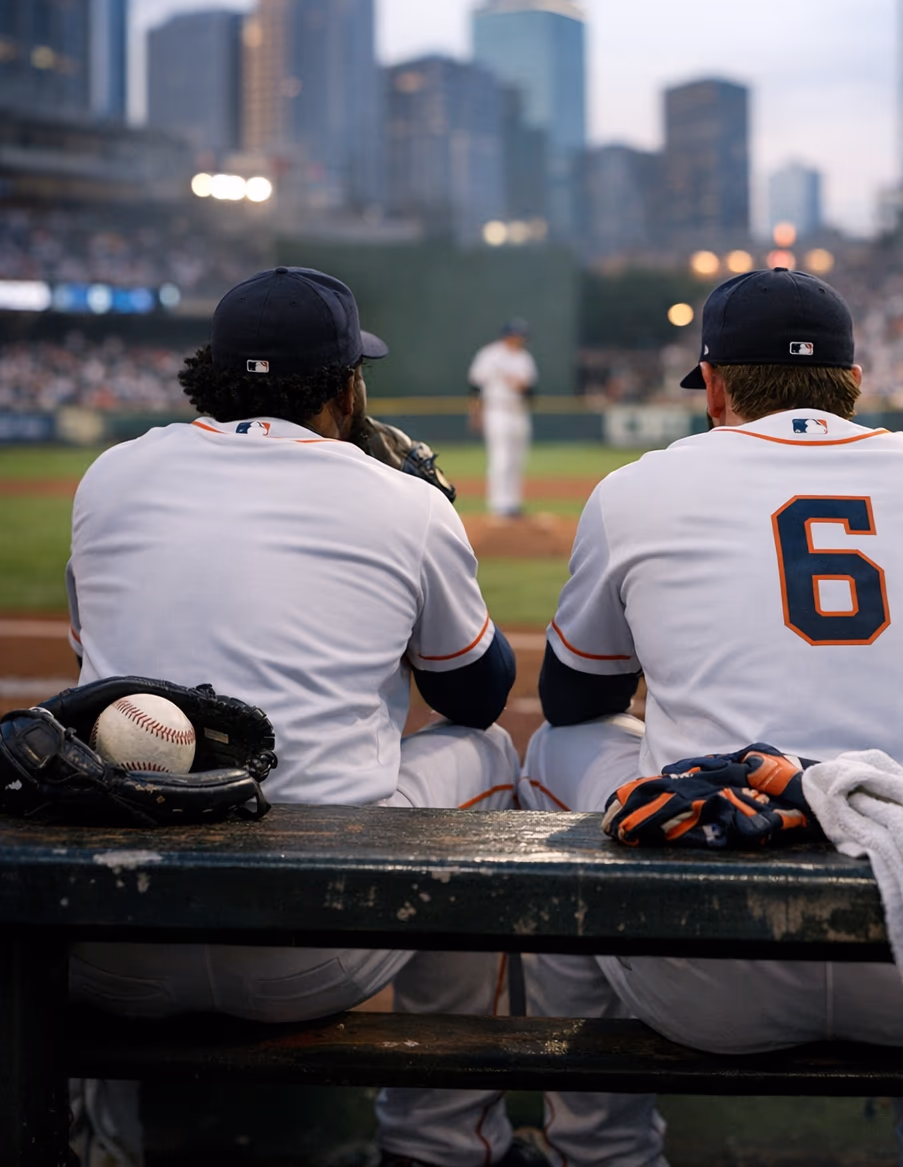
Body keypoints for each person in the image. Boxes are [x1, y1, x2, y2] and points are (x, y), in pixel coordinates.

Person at [519, 267, 903, 1167]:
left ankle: (598, 1147)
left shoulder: (637, 488)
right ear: (853, 381)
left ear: (714, 386)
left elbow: (573, 699)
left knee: (553, 752)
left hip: (711, 968)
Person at [67, 265, 545, 1167]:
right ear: (346, 388)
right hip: (314, 951)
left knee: (97, 766)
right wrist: (430, 525)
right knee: (486, 754)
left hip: (109, 943)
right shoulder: (402, 501)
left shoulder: (110, 475)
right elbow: (474, 696)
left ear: (210, 374)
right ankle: (441, 1143)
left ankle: (101, 1143)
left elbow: (87, 674)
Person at [468, 318, 538, 518]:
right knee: (500, 459)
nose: (520, 338)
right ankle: (498, 504)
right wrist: (475, 413)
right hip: (496, 410)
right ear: (507, 335)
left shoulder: (524, 358)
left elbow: (532, 391)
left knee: (517, 459)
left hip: (519, 411)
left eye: (521, 335)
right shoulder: (490, 355)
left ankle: (513, 502)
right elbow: (475, 386)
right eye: (516, 334)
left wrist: (522, 387)